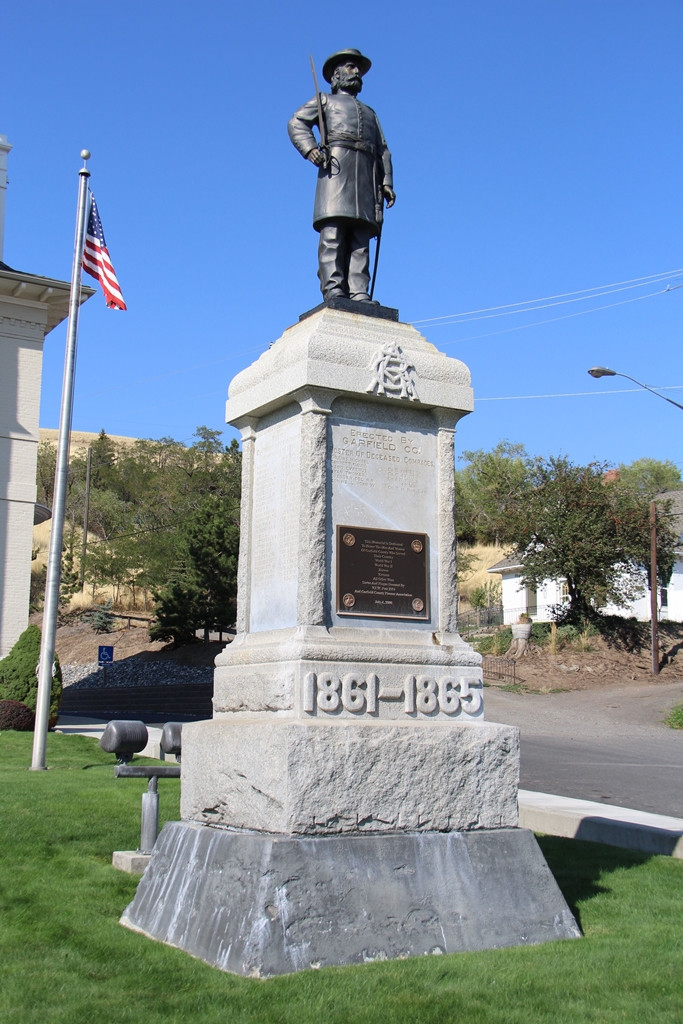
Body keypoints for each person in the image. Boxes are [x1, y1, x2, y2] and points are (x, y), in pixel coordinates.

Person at [288, 48, 395, 303]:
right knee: (333, 233)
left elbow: (383, 150)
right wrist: (311, 149)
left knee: (361, 235)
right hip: (336, 170)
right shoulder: (324, 100)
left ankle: (359, 290)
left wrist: (386, 182)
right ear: (336, 75)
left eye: (358, 69)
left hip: (366, 177)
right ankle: (333, 286)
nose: (356, 72)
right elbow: (296, 122)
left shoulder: (370, 113)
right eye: (350, 67)